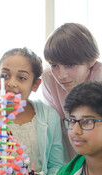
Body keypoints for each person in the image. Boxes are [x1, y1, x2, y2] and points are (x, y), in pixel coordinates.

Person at [41, 22, 102, 162]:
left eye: (70, 65)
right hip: (70, 158)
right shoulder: (49, 79)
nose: (61, 75)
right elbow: (57, 128)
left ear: (91, 60)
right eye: (54, 65)